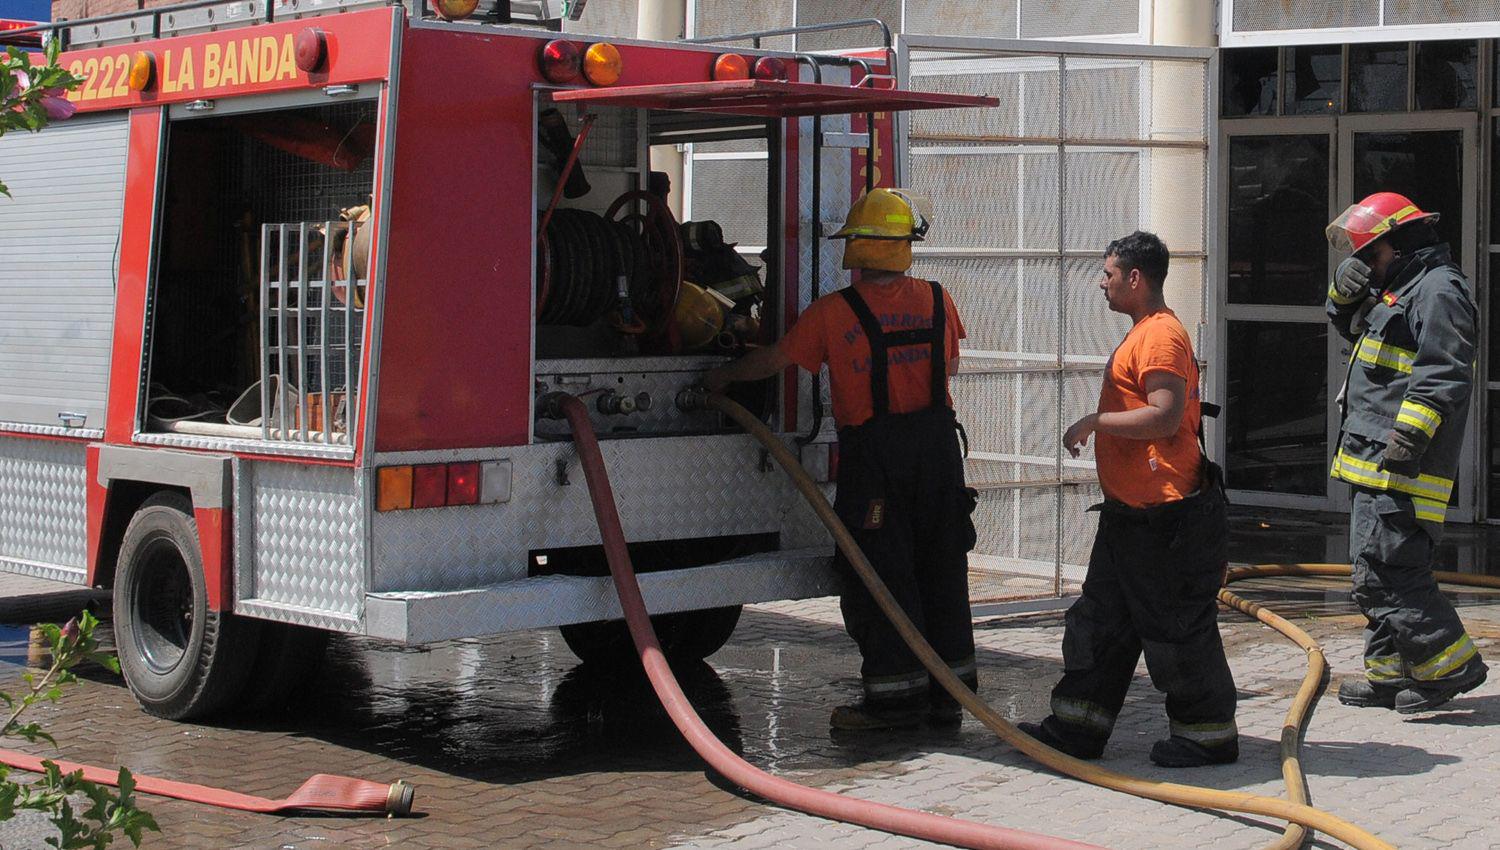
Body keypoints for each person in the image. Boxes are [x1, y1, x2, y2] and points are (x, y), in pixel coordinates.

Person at [704, 188, 979, 731]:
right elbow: (948, 369)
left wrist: (723, 377)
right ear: (904, 246)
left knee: (878, 573)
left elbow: (777, 361)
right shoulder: (937, 299)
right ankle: (952, 695)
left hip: (875, 461)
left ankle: (893, 703)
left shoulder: (834, 313)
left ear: (855, 246)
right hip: (939, 455)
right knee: (943, 568)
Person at [1018, 231, 1238, 768]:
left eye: (1109, 272)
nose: (1102, 281)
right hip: (1129, 517)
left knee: (1175, 629)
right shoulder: (1145, 332)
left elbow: (1164, 414)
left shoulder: (1160, 336)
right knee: (1101, 624)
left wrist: (1094, 422)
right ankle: (1077, 727)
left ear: (1135, 278)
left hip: (1163, 518)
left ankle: (1207, 736)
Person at [1325, 192, 1488, 713]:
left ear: (1399, 243)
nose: (1364, 265)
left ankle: (1450, 668)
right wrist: (1344, 297)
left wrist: (1408, 440)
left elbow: (1444, 374)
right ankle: (1390, 674)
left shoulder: (1440, 290)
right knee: (1369, 570)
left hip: (1402, 463)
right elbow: (1357, 335)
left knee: (1389, 569)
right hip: (1372, 454)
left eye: (1369, 255)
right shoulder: (1402, 287)